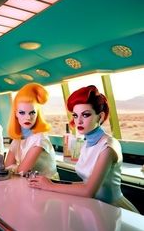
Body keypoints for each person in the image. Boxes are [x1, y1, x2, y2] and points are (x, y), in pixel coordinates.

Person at [28, 85, 139, 213]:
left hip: (113, 210)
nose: (78, 121)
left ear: (101, 117)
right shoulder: (87, 143)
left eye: (85, 115)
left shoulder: (108, 146)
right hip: (93, 207)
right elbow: (85, 183)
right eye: (75, 116)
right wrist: (49, 183)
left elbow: (88, 190)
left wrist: (51, 185)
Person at [5, 83, 59, 180]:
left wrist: (12, 169)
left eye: (32, 113)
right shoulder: (17, 139)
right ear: (15, 114)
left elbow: (22, 171)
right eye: (22, 113)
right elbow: (7, 168)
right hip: (31, 185)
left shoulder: (40, 139)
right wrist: (12, 169)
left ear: (37, 114)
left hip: (49, 189)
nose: (28, 117)